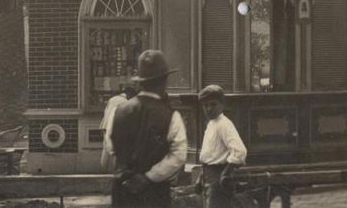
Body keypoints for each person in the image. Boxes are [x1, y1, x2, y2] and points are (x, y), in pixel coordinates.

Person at [106, 49, 188, 207]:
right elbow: (179, 155)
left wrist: (127, 169)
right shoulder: (171, 115)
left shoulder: (119, 111)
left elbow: (110, 146)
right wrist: (148, 177)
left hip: (124, 189)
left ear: (141, 82)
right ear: (164, 81)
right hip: (154, 193)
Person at [197, 85, 247, 208]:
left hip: (218, 179)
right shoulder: (211, 124)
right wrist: (201, 176)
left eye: (213, 104)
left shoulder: (224, 124)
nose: (209, 109)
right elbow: (210, 155)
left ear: (222, 105)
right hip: (208, 177)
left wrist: (226, 173)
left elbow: (240, 151)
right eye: (205, 105)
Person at [99, 82, 136, 172]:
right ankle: (115, 170)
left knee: (106, 149)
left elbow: (106, 112)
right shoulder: (126, 102)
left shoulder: (112, 99)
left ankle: (103, 169)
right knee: (117, 150)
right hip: (117, 127)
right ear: (129, 94)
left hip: (106, 126)